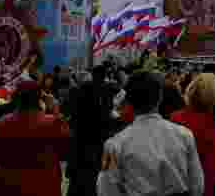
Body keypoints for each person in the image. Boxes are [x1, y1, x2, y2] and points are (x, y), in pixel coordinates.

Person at [98, 71, 203, 196]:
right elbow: (197, 186)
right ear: (160, 98)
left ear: (129, 101)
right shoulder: (185, 135)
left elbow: (106, 190)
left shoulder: (113, 145)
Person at [169, 74, 215, 196]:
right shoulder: (211, 126)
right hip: (201, 185)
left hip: (176, 182)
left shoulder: (175, 117)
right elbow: (212, 170)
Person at [67, 64, 113, 196]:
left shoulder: (81, 89)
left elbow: (74, 115)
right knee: (94, 182)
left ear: (93, 74)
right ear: (104, 75)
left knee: (77, 184)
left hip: (81, 142)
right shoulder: (107, 91)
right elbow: (108, 114)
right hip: (98, 144)